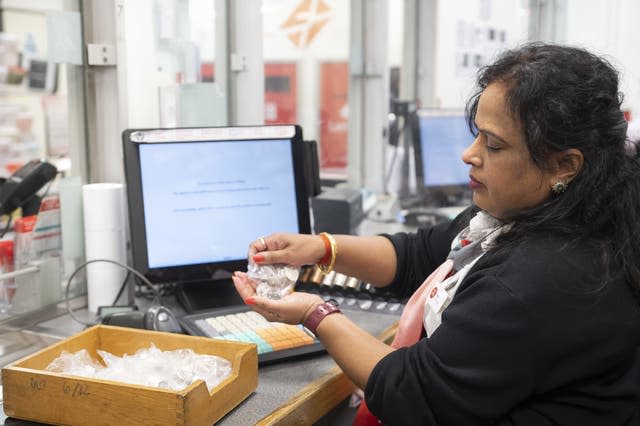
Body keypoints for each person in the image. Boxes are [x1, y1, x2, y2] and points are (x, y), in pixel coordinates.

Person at [232, 43, 640, 426]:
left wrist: (315, 314)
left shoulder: (548, 274)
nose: (470, 153)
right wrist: (320, 248)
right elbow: (418, 254)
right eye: (477, 134)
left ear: (564, 165)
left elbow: (412, 392)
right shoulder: (530, 214)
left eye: (494, 145)